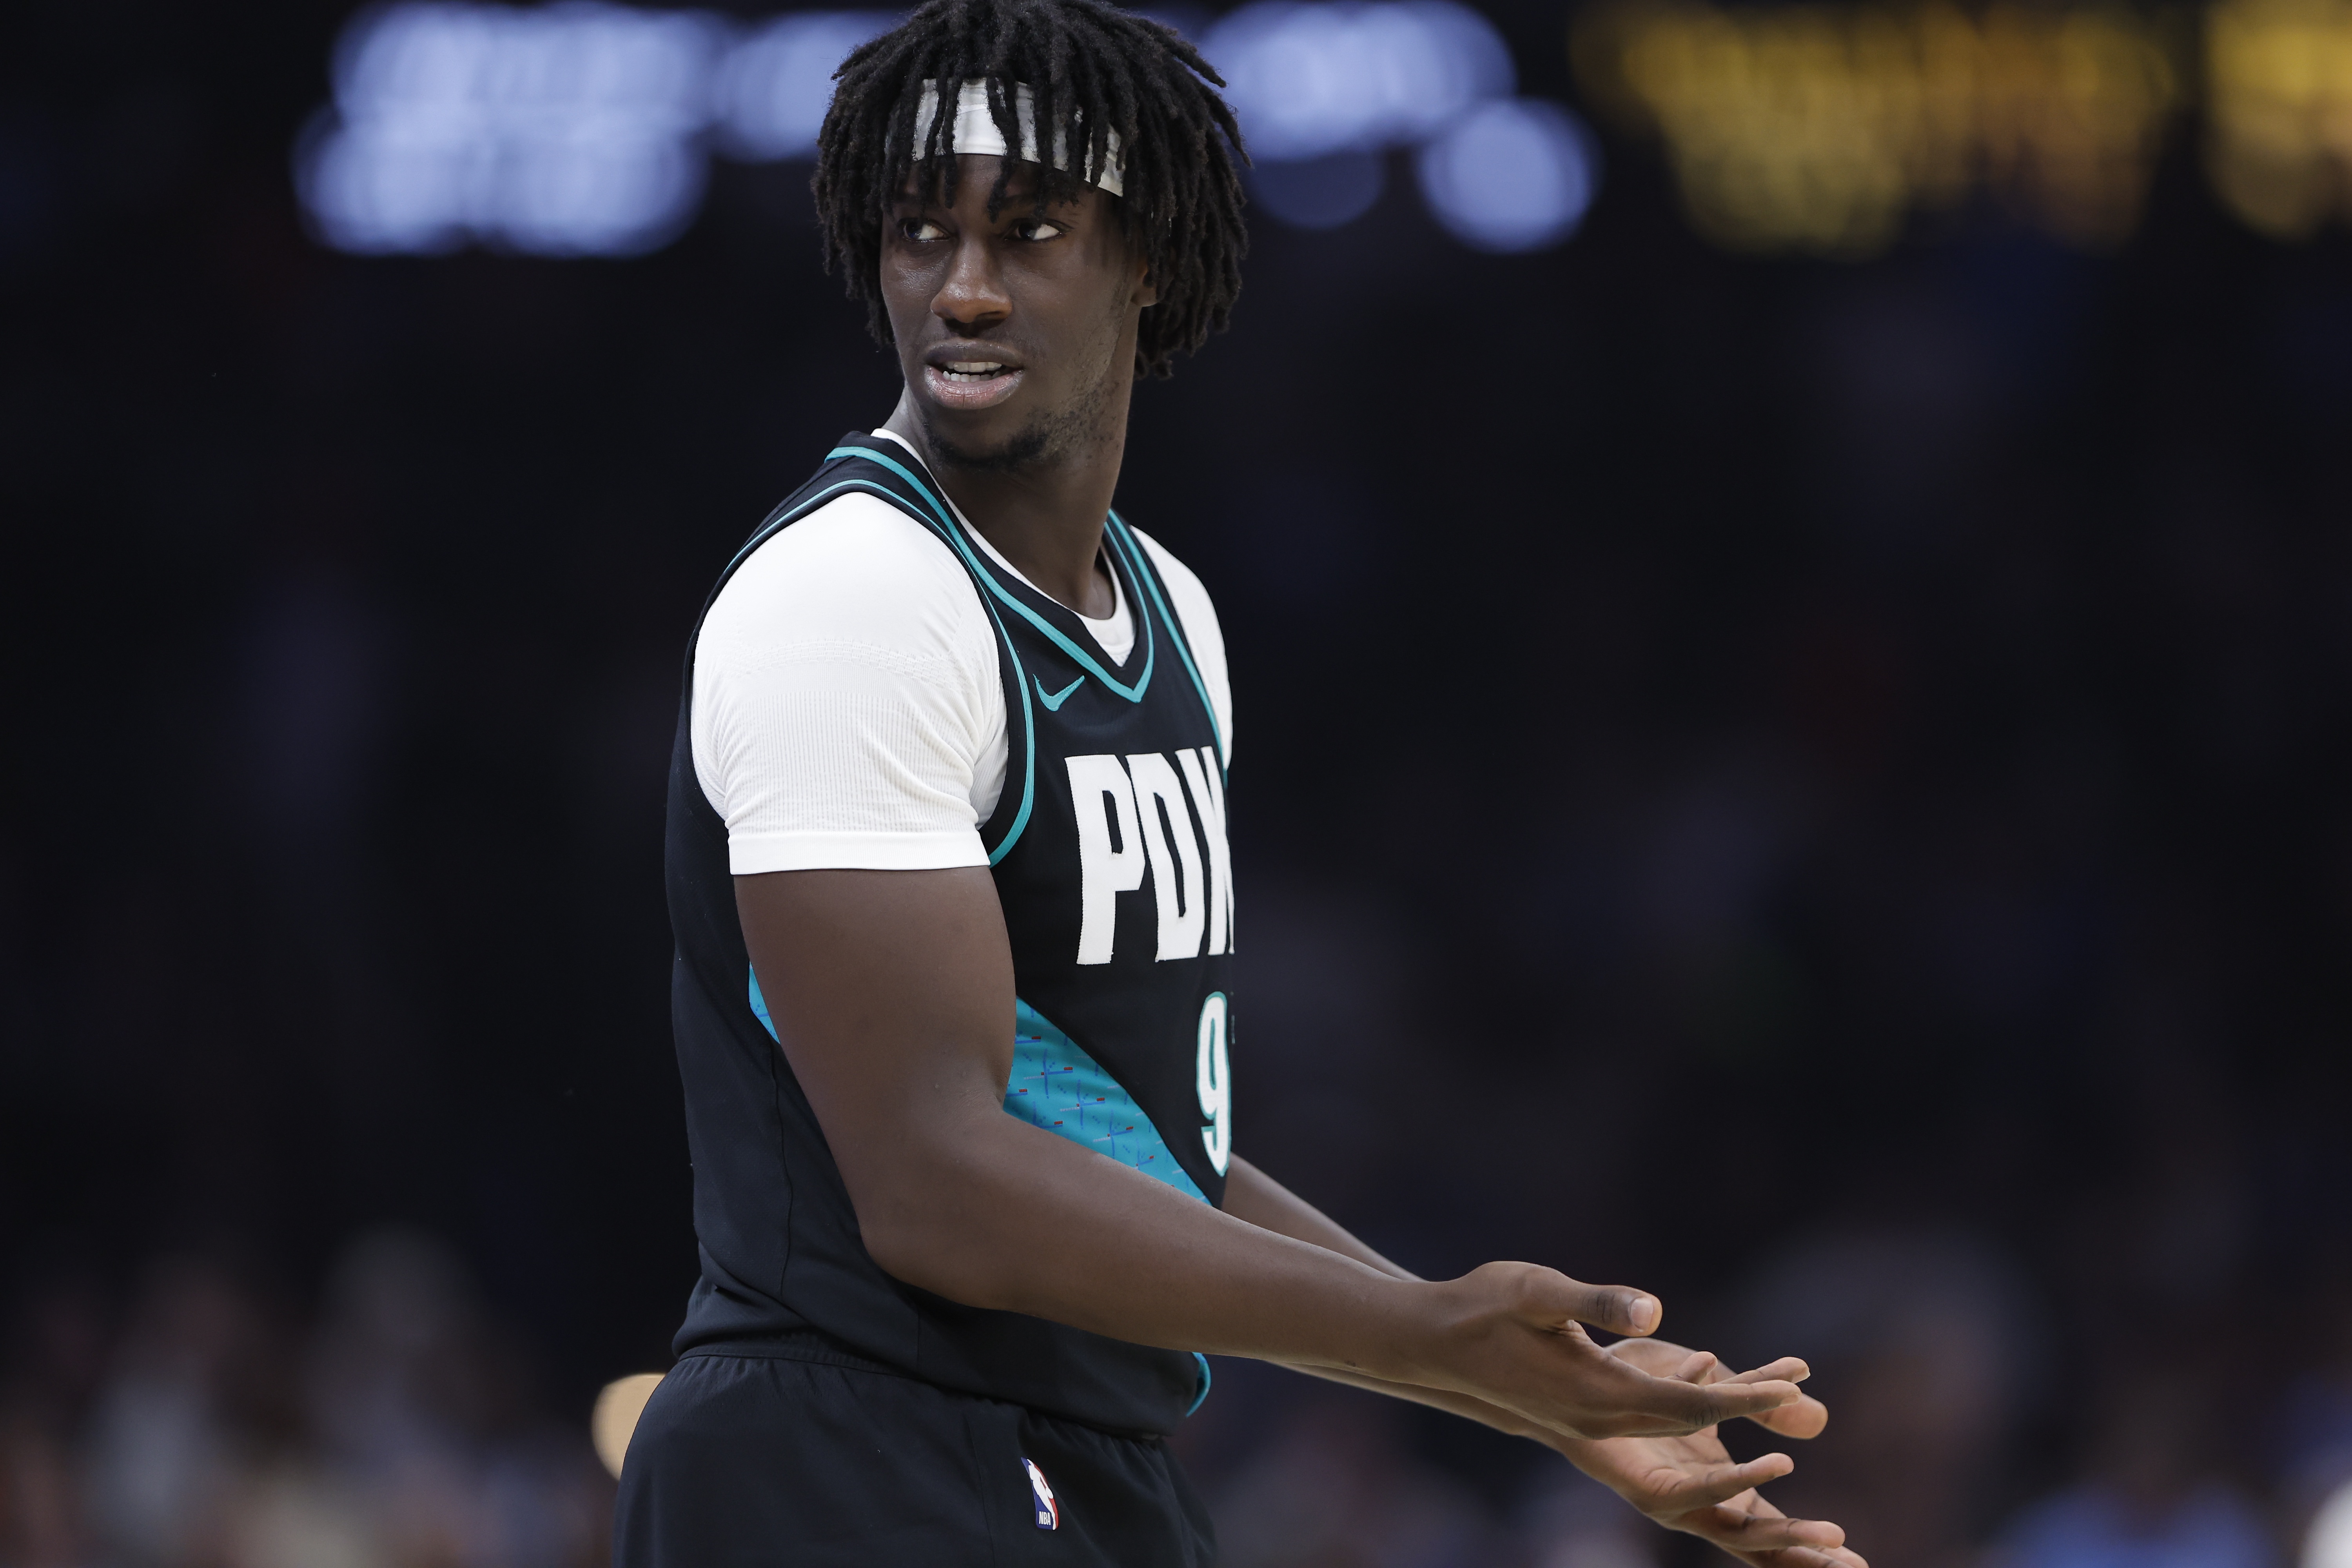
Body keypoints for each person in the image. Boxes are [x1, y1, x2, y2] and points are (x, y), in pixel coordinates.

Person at [614, 1, 1868, 1563]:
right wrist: (1424, 1336)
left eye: (1030, 229)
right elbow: (931, 1180)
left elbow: (1144, 1149)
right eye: (922, 231)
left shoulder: (1172, 616)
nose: (964, 285)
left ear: (1149, 254)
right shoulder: (854, 594)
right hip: (841, 1455)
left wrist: (1533, 1394)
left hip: (1079, 1455)